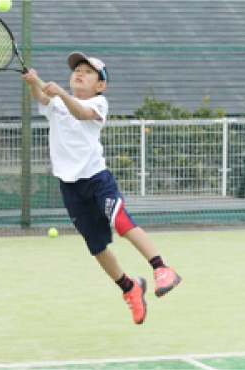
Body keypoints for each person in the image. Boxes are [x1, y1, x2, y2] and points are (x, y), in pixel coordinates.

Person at [21, 52, 181, 325]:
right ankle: (130, 288)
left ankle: (162, 269)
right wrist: (33, 82)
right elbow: (40, 98)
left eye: (88, 71)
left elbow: (81, 112)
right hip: (70, 186)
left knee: (121, 222)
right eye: (76, 70)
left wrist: (59, 93)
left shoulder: (98, 103)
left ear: (100, 85)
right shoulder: (57, 104)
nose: (79, 73)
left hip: (97, 179)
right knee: (97, 247)